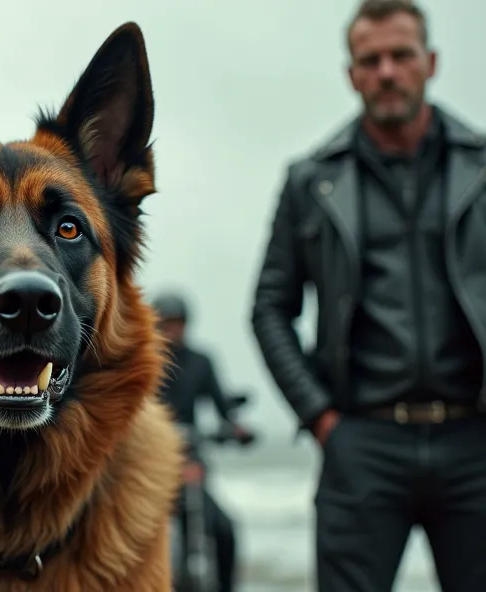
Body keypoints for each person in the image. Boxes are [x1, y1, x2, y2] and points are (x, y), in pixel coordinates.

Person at [251, 2, 486, 590]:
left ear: (430, 63)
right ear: (351, 75)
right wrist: (322, 416)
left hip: (475, 441)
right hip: (363, 441)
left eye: (401, 56)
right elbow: (270, 308)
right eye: (370, 59)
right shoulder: (310, 180)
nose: (387, 72)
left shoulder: (481, 168)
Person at [153, 292, 252, 592]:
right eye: (167, 323)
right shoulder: (145, 361)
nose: (173, 330)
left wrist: (235, 429)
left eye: (178, 323)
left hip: (192, 461)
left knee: (225, 529)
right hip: (150, 468)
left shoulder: (201, 362)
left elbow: (222, 406)